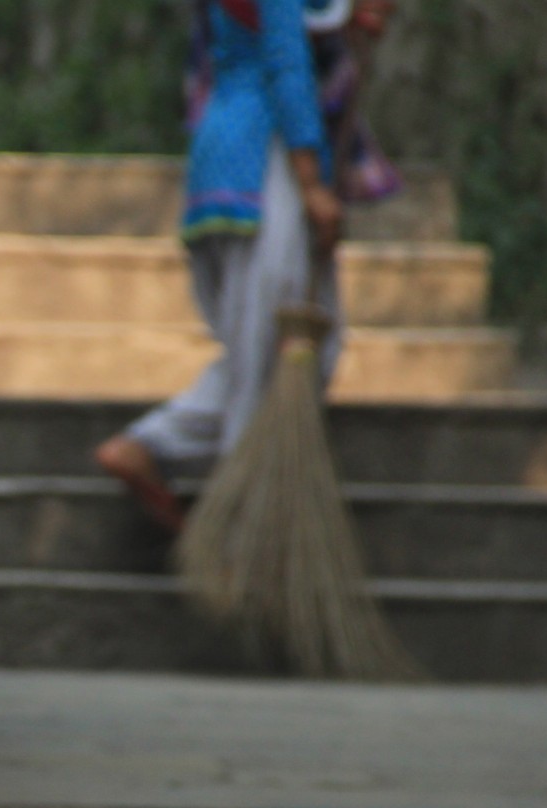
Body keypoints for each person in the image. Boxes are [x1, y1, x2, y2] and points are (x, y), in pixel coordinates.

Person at [93, 0, 383, 533]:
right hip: (263, 170)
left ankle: (151, 445)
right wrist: (313, 184)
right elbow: (286, 60)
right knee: (278, 360)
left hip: (218, 165)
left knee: (277, 351)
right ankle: (240, 532)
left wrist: (350, 23)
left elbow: (293, 29)